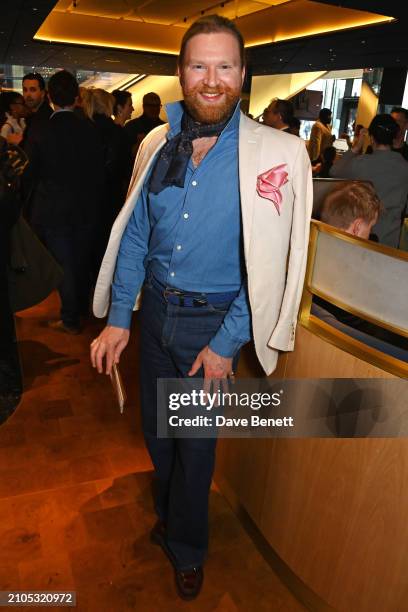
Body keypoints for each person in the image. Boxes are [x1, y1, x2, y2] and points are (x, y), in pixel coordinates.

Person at [91, 14, 312, 600]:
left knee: (195, 449)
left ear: (243, 74)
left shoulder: (278, 154)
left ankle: (187, 547)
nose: (210, 79)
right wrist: (120, 319)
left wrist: (224, 343)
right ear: (180, 72)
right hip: (157, 314)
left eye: (224, 66)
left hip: (213, 322)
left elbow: (269, 265)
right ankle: (171, 517)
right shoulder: (157, 143)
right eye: (198, 65)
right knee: (158, 436)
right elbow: (136, 235)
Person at [23, 70, 105, 334]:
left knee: (64, 265)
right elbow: (99, 171)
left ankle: (70, 318)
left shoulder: (41, 130)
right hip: (87, 207)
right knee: (80, 260)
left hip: (53, 209)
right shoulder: (90, 129)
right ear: (77, 97)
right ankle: (81, 309)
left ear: (49, 96)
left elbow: (30, 173)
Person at [330, 114, 408, 248]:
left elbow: (334, 171)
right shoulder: (405, 167)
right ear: (393, 138)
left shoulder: (361, 163)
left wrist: (356, 147)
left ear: (371, 138)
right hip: (389, 240)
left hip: (360, 236)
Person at [124, 91, 165, 158]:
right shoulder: (132, 126)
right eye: (151, 106)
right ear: (144, 107)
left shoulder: (165, 127)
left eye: (157, 106)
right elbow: (127, 155)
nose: (154, 109)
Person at [21, 72, 52, 142]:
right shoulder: (33, 116)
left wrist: (19, 142)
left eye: (32, 90)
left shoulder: (45, 118)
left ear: (42, 93)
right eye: (25, 90)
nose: (28, 94)